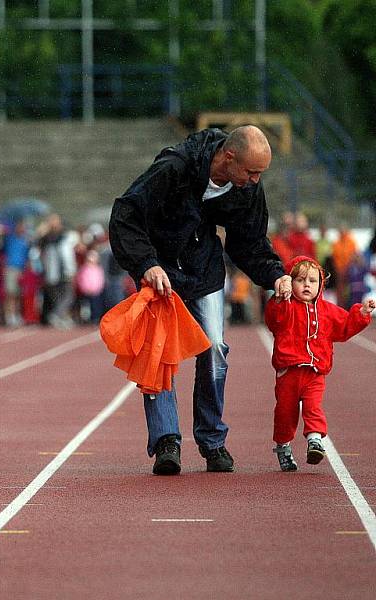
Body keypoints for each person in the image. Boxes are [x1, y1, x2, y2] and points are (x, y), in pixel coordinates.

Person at [109, 125, 291, 475]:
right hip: (160, 269)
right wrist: (147, 264)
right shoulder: (175, 167)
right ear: (228, 157)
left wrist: (275, 274)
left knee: (216, 348)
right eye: (251, 172)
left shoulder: (247, 188)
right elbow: (125, 215)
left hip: (203, 268)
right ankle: (167, 441)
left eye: (260, 174)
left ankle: (212, 440)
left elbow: (249, 241)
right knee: (158, 353)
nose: (255, 181)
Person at [265, 255, 374, 471]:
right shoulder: (285, 307)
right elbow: (273, 320)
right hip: (289, 372)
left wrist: (361, 314)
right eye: (300, 280)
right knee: (285, 414)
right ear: (290, 282)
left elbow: (344, 327)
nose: (306, 285)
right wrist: (279, 299)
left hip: (315, 372)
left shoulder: (327, 310)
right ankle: (283, 446)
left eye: (312, 281)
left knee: (314, 407)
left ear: (321, 285)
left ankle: (315, 439)